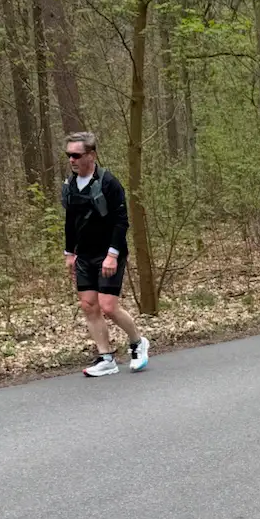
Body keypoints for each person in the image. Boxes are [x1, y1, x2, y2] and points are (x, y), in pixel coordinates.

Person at [61, 132, 149, 376]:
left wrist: (112, 254)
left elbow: (121, 222)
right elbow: (70, 221)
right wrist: (69, 252)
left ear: (91, 155)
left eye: (76, 155)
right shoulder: (69, 185)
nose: (71, 160)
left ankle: (137, 343)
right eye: (68, 155)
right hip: (83, 255)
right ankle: (106, 358)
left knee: (108, 306)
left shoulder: (109, 183)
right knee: (89, 305)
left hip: (108, 253)